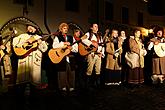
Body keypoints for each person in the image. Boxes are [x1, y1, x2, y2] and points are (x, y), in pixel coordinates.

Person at [12, 25, 48, 93]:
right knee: (22, 84)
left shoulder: (39, 37)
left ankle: (33, 101)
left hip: (35, 61)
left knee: (34, 84)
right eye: (29, 26)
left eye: (32, 27)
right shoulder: (22, 36)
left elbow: (44, 49)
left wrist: (40, 43)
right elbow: (15, 43)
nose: (30, 28)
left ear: (35, 29)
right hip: (24, 60)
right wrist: (25, 41)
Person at [52, 22, 78, 92]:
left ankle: (71, 86)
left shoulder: (71, 37)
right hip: (62, 57)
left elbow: (76, 49)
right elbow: (54, 46)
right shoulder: (58, 37)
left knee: (71, 72)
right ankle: (63, 86)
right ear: (61, 29)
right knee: (62, 73)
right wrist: (64, 43)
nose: (66, 30)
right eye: (64, 28)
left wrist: (71, 48)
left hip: (70, 57)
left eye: (66, 28)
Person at [81, 23, 105, 89]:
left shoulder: (100, 35)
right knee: (90, 69)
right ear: (91, 28)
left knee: (98, 70)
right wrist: (91, 43)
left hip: (98, 54)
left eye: (97, 26)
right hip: (91, 54)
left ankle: (96, 84)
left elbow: (102, 45)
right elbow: (82, 39)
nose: (97, 27)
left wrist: (102, 53)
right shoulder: (88, 34)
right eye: (95, 26)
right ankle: (87, 85)